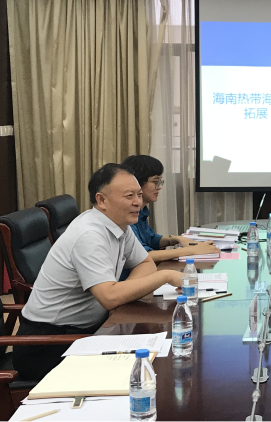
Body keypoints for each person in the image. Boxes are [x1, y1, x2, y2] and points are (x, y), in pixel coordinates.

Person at [13, 164, 186, 380]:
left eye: (139, 195)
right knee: (146, 373)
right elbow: (109, 298)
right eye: (129, 196)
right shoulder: (89, 235)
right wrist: (165, 276)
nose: (138, 202)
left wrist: (123, 292)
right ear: (102, 200)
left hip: (93, 329)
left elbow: (145, 263)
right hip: (49, 344)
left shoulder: (119, 225)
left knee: (157, 357)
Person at [121, 155, 219, 264]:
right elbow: (143, 255)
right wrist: (192, 250)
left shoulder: (142, 211)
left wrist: (176, 239)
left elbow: (151, 239)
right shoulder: (127, 214)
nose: (159, 187)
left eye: (160, 182)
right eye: (155, 182)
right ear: (137, 182)